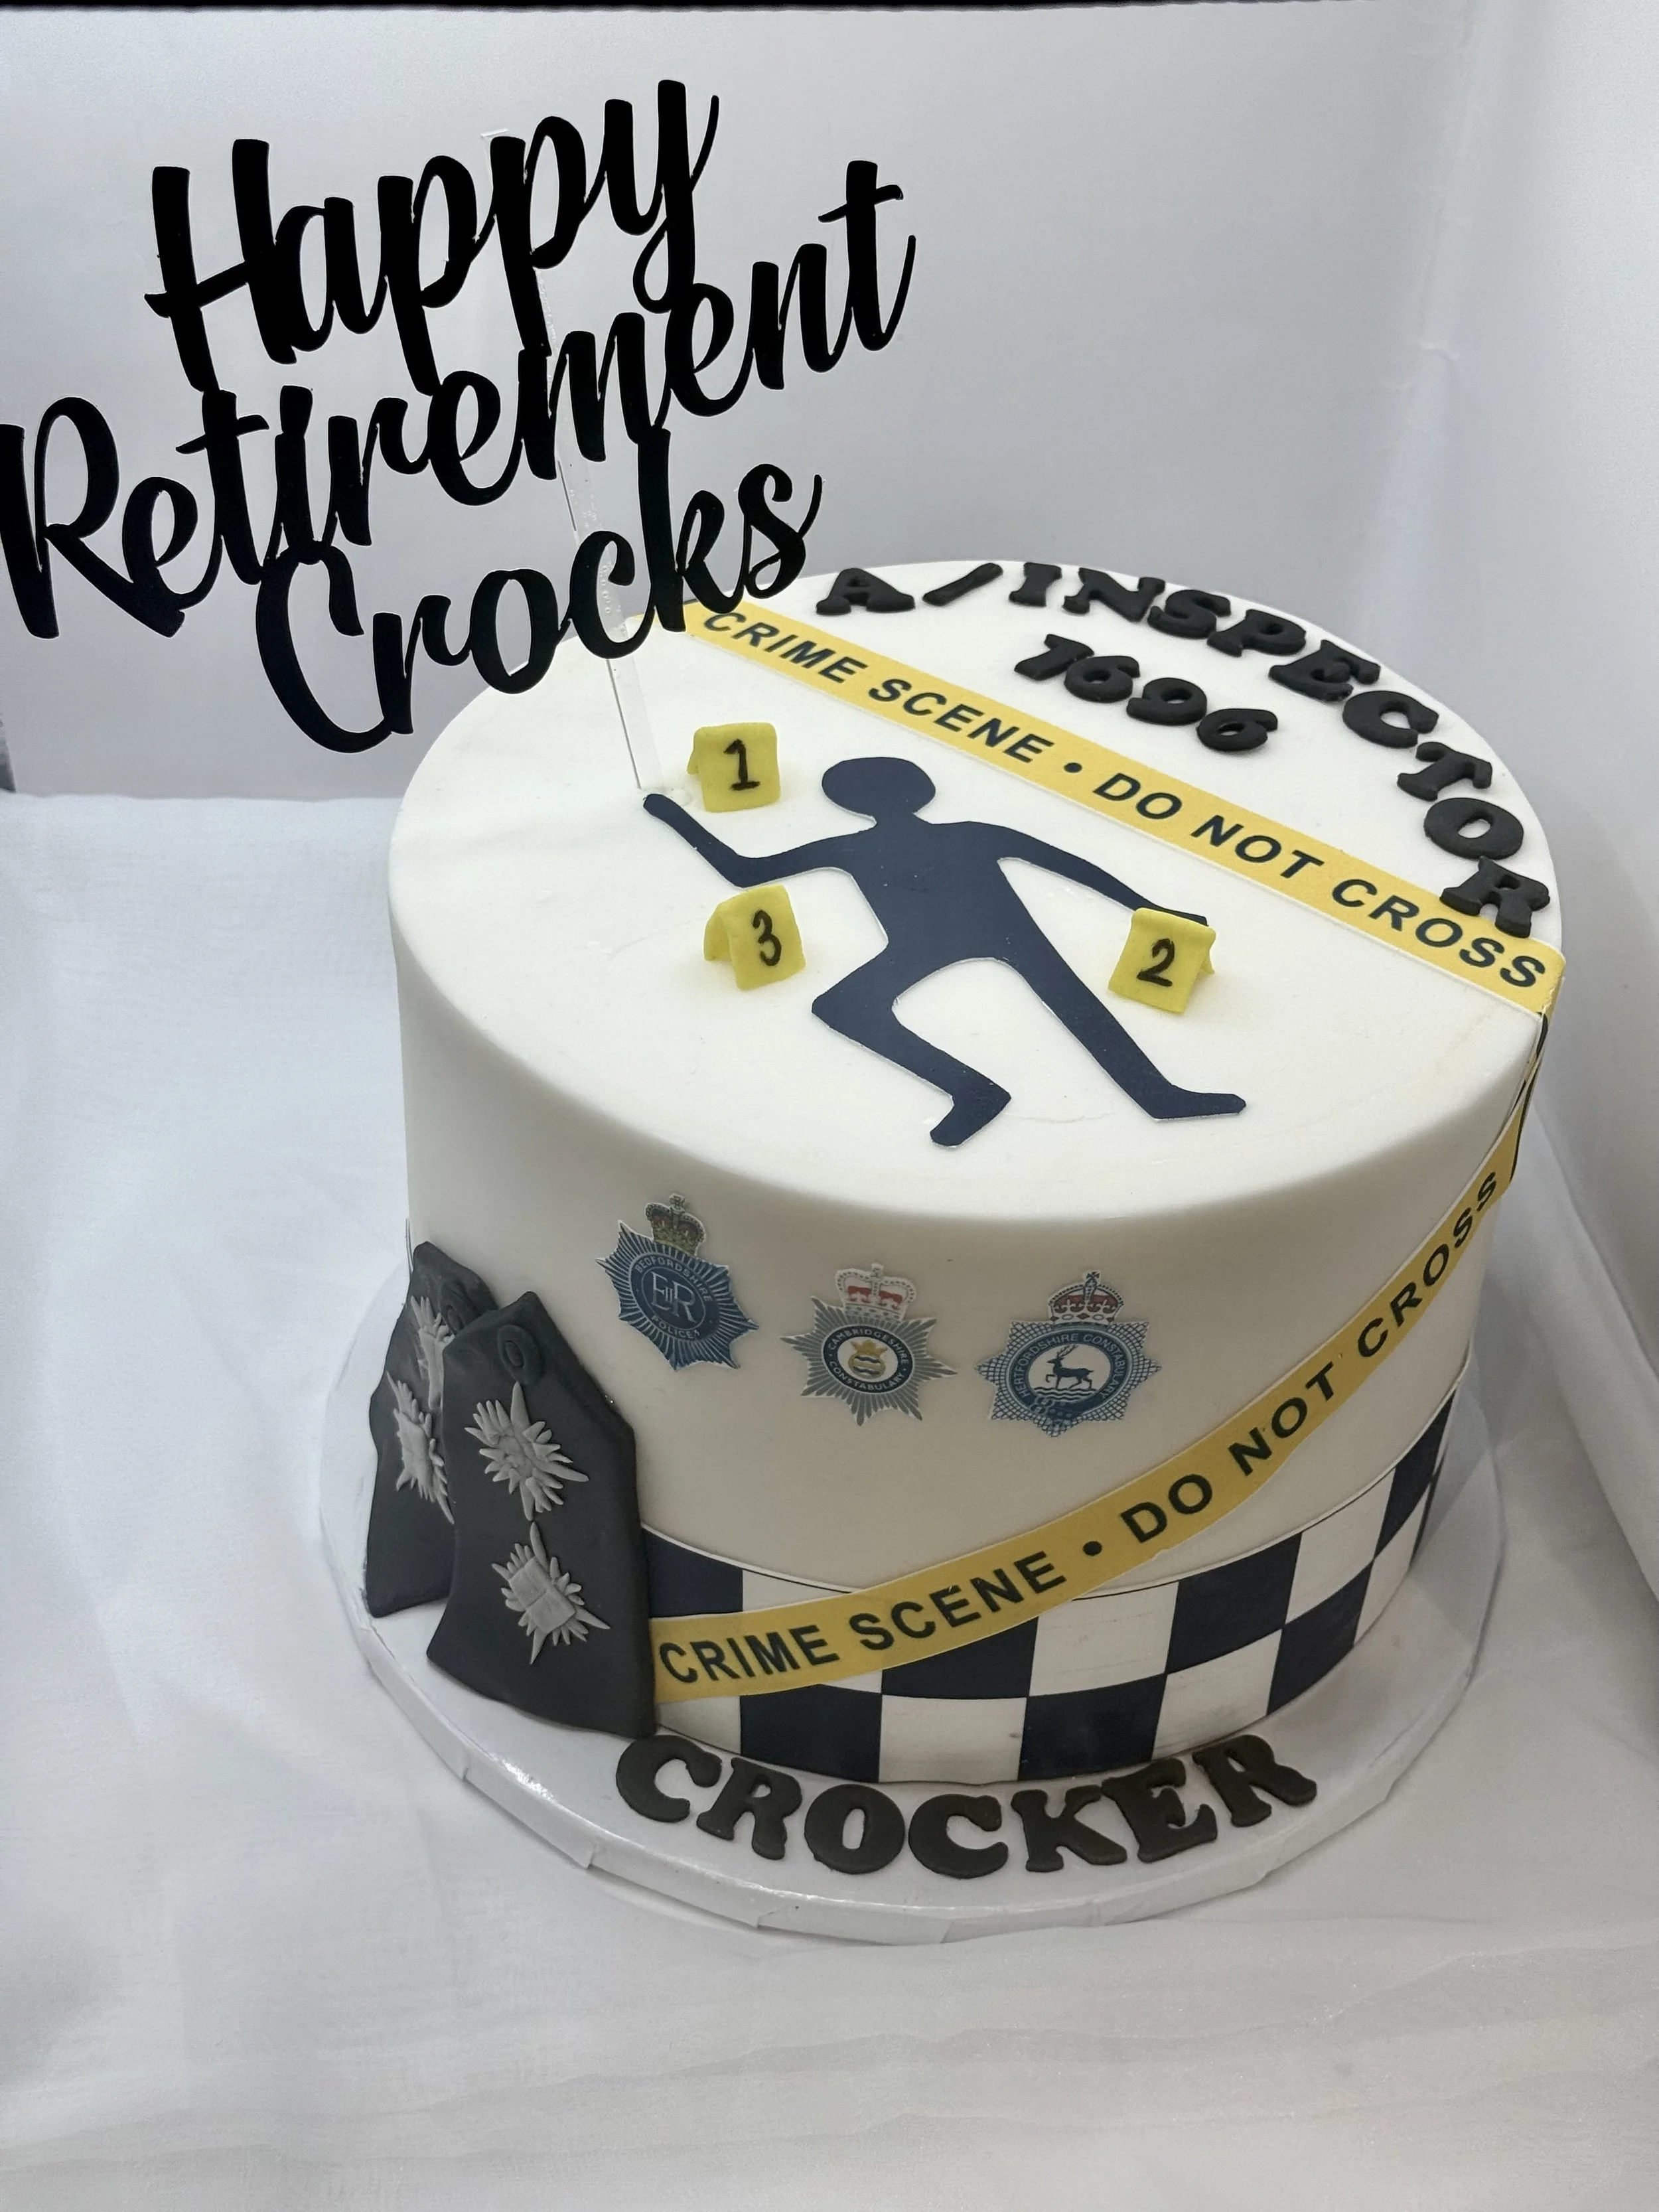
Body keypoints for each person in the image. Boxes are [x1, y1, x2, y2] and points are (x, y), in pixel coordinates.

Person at [645, 756, 1246, 1146]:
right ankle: (984, 1090)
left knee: (846, 1008)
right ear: (922, 792)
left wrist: (676, 815)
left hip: (970, 937)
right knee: (1073, 1007)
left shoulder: (854, 846)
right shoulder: (970, 832)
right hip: (977, 936)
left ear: (849, 800)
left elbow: (742, 870)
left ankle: (1144, 1094)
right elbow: (1077, 868)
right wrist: (1152, 906)